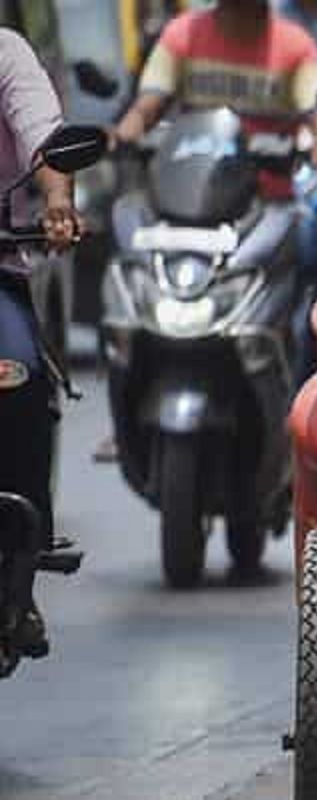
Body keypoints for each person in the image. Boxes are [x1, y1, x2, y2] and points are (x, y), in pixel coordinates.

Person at [110, 0, 317, 383]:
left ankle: (315, 388)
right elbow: (146, 107)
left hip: (268, 208)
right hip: (187, 208)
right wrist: (125, 133)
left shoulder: (295, 46)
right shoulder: (182, 35)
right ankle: (128, 390)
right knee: (125, 261)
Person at [0, 28, 86, 661]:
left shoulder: (6, 53)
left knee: (22, 374)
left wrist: (57, 203)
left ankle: (18, 574)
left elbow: (48, 141)